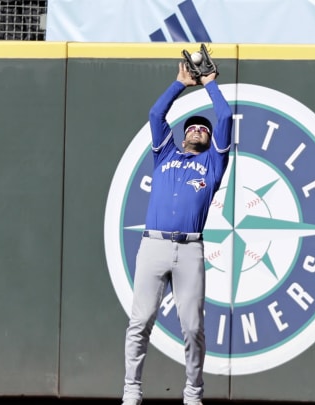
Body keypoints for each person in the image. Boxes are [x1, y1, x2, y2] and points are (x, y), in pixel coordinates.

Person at [121, 62, 233, 405]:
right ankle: (131, 390)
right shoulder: (166, 153)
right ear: (183, 135)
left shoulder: (213, 164)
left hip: (190, 250)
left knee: (193, 328)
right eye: (193, 128)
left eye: (203, 129)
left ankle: (193, 393)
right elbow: (156, 114)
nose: (199, 130)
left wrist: (210, 84)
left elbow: (225, 117)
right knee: (140, 322)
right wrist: (180, 84)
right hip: (153, 244)